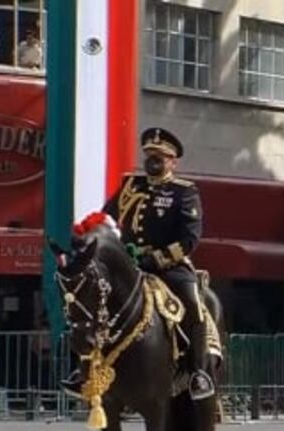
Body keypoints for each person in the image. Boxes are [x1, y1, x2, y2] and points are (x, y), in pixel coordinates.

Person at [61, 127, 214, 401]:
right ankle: (84, 372)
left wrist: (156, 258)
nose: (153, 161)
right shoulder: (131, 186)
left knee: (192, 304)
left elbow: (189, 240)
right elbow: (107, 217)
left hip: (168, 267)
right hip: (129, 264)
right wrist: (88, 237)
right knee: (92, 303)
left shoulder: (184, 192)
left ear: (172, 162)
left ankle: (198, 372)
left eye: (160, 156)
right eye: (149, 155)